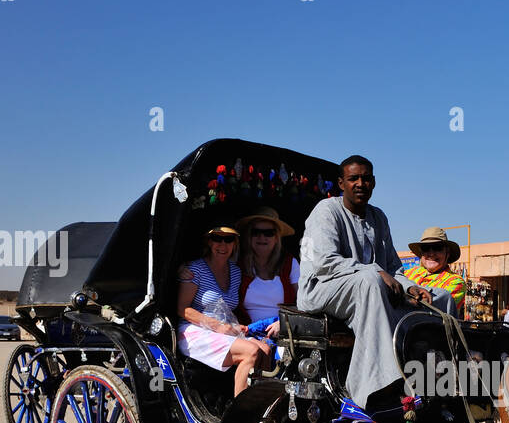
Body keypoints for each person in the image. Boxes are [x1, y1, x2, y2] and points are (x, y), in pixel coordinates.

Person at [298, 155, 424, 409]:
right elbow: (325, 263)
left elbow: (393, 268)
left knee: (438, 295)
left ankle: (435, 381)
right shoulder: (326, 210)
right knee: (369, 280)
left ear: (374, 183)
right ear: (341, 183)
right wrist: (376, 271)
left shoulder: (379, 217)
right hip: (322, 288)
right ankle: (376, 389)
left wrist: (410, 286)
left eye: (366, 179)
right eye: (353, 178)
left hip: (366, 287)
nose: (360, 184)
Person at [176, 225, 273, 397]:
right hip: (194, 329)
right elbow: (182, 309)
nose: (222, 244)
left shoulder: (235, 272)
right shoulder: (194, 269)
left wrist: (235, 326)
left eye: (228, 239)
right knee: (250, 351)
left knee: (265, 350)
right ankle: (240, 415)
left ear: (235, 243)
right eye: (217, 239)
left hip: (224, 328)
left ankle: (258, 406)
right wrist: (217, 326)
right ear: (209, 241)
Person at [236, 206, 298, 335]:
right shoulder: (237, 263)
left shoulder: (290, 263)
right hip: (246, 333)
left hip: (282, 332)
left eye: (268, 233)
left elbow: (304, 301)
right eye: (256, 232)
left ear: (276, 238)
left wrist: (284, 322)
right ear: (248, 236)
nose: (262, 237)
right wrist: (185, 271)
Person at [400, 227, 465, 316]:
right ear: (421, 253)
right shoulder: (407, 273)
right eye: (426, 248)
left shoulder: (456, 282)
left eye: (437, 248)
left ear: (447, 253)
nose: (431, 253)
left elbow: (433, 306)